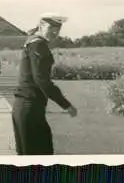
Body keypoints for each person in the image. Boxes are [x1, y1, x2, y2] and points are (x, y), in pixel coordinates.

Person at [12, 13, 78, 155]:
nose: (55, 32)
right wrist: (66, 105)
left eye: (58, 29)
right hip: (30, 107)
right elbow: (41, 79)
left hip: (26, 106)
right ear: (41, 25)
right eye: (51, 27)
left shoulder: (32, 42)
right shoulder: (38, 44)